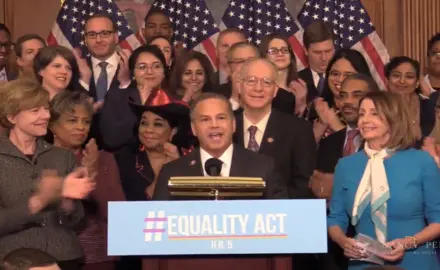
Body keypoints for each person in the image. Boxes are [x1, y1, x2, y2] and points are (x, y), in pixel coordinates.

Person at [151, 93, 288, 270]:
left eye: (221, 118)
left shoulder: (264, 167)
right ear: (194, 128)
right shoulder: (172, 172)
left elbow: (284, 226)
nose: (214, 125)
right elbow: (156, 231)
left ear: (233, 125)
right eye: (205, 120)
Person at [328, 91, 440, 270]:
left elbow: (438, 220)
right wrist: (344, 242)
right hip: (363, 262)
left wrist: (408, 242)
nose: (364, 120)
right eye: (362, 113)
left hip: (415, 260)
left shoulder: (421, 161)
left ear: (393, 118)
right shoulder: (346, 165)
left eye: (374, 113)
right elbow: (335, 218)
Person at [0, 78, 95, 269]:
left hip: (65, 258)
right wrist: (40, 201)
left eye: (46, 108)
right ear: (11, 117)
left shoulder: (63, 157)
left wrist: (68, 201)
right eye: (35, 111)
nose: (45, 115)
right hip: (13, 261)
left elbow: (77, 221)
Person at [310, 74, 380, 270]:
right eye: (343, 96)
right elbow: (318, 187)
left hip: (376, 245)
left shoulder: (385, 142)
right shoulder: (328, 143)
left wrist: (341, 186)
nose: (348, 101)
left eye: (357, 95)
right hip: (332, 248)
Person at [48, 91, 126, 270]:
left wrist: (93, 171)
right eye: (72, 120)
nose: (81, 127)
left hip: (99, 256)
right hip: (54, 257)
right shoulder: (41, 160)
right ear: (52, 125)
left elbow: (114, 210)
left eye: (86, 121)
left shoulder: (104, 159)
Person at [233, 58, 316, 199]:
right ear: (240, 86)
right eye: (251, 81)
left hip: (282, 215)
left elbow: (304, 184)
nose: (258, 88)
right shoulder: (225, 125)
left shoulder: (298, 130)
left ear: (275, 90)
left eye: (266, 82)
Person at [99, 45, 167, 151]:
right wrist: (142, 107)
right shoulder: (116, 97)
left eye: (156, 66)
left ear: (164, 71)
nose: (150, 71)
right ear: (133, 73)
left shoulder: (173, 98)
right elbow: (110, 139)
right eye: (142, 67)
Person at [385, 56, 435, 138]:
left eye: (409, 76)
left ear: (417, 82)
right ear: (387, 80)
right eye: (396, 75)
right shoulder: (377, 105)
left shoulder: (428, 105)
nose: (402, 81)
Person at [299, 20, 335, 103]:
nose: (323, 58)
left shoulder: (345, 80)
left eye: (328, 51)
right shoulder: (296, 81)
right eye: (317, 52)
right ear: (305, 50)